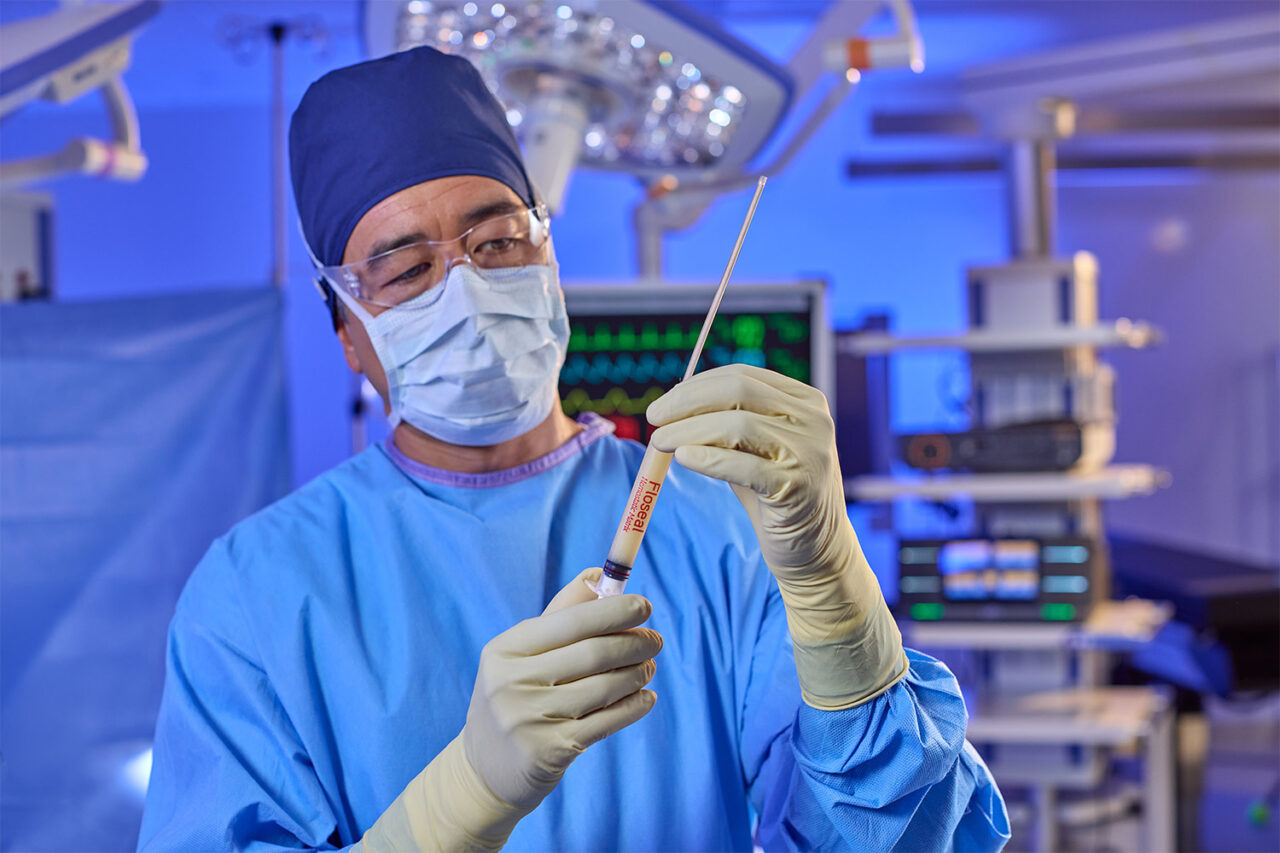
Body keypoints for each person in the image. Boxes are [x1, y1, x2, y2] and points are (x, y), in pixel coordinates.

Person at [138, 46, 1009, 852]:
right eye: (406, 271)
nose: (468, 290)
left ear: (548, 256)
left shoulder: (722, 529)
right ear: (348, 333)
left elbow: (896, 837)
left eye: (497, 241)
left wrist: (834, 595)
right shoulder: (256, 592)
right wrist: (458, 801)